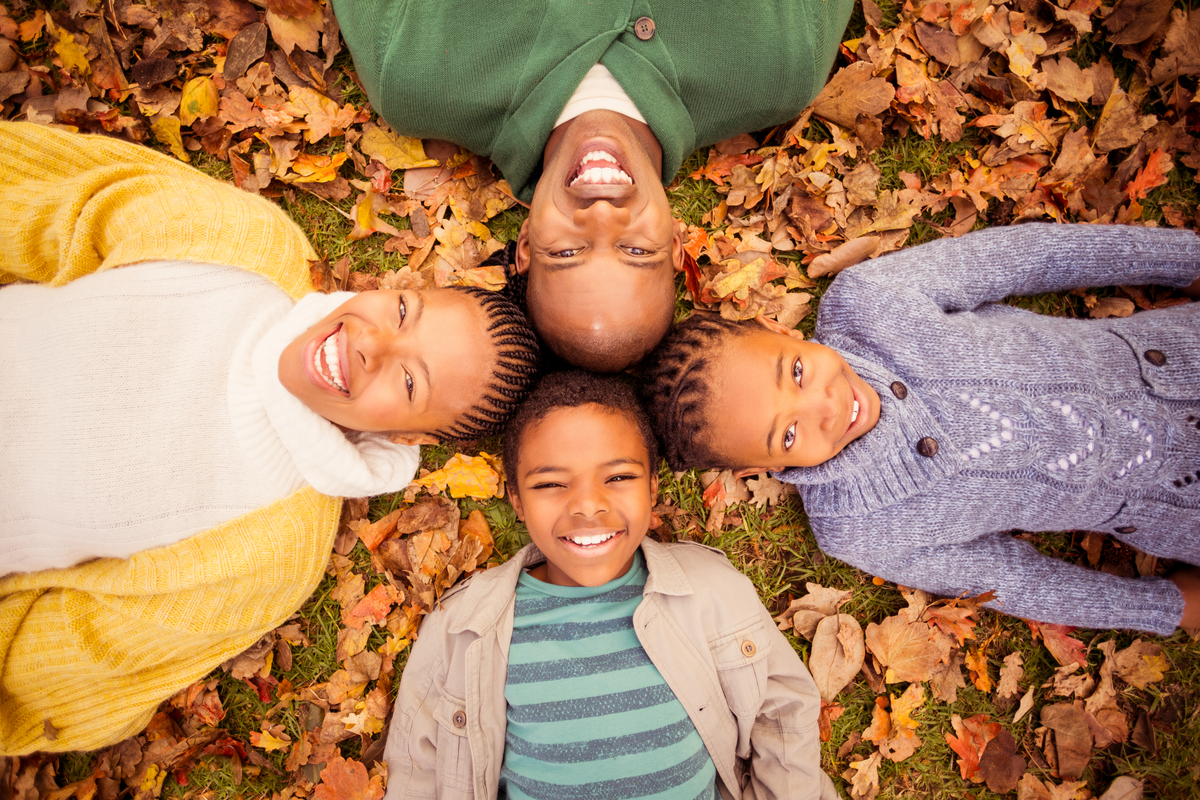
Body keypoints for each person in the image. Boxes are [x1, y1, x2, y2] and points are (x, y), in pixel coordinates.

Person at [0, 122, 539, 754]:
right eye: (402, 314)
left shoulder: (273, 553)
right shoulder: (248, 246)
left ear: (407, 437)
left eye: (410, 380)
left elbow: (66, 652)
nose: (369, 345)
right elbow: (49, 205)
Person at [640, 223, 1200, 636]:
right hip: (1181, 510)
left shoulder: (873, 303)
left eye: (796, 371)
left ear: (775, 328)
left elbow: (1033, 256)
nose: (827, 406)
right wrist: (1164, 607)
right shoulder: (857, 529)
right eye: (788, 436)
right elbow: (1012, 578)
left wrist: (1184, 259)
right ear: (765, 470)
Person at [382, 371, 836, 800]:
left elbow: (783, 713)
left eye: (618, 477)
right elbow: (417, 770)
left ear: (654, 488)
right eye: (552, 483)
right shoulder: (460, 627)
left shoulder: (713, 590)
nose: (587, 506)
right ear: (516, 501)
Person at [332, 0, 856, 371]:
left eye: (566, 252)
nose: (602, 214)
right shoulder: (781, 63)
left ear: (525, 248)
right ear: (676, 242)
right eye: (635, 249)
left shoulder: (411, 73)